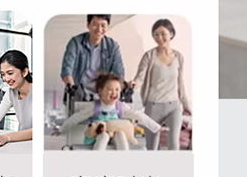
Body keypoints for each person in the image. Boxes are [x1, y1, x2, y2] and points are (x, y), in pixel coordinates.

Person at [133, 19, 192, 150]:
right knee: (152, 147)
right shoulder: (149, 56)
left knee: (173, 145)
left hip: (174, 106)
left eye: (163, 33)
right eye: (156, 34)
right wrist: (134, 84)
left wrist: (186, 105)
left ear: (171, 34)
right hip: (153, 106)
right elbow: (140, 78)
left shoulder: (179, 57)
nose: (159, 37)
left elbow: (180, 83)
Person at [61, 16, 125, 101]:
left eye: (103, 25)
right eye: (95, 24)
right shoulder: (75, 43)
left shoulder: (113, 46)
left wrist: (118, 89)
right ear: (88, 25)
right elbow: (67, 70)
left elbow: (119, 73)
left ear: (107, 26)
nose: (99, 29)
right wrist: (72, 88)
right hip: (79, 95)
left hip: (104, 96)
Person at [0, 49, 33, 147]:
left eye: (10, 73)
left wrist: (6, 137)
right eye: (3, 74)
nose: (6, 79)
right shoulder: (10, 93)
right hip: (21, 143)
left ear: (25, 72)